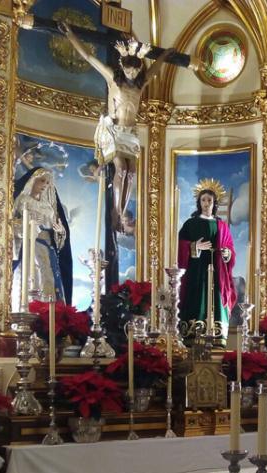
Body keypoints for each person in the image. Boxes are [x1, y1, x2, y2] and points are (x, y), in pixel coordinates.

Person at [60, 22, 171, 228]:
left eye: (135, 71)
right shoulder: (113, 78)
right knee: (120, 170)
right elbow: (89, 58)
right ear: (123, 66)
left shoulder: (140, 82)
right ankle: (116, 210)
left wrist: (165, 55)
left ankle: (122, 209)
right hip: (114, 130)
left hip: (130, 132)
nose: (131, 74)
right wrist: (71, 36)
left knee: (132, 173)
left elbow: (154, 69)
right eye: (128, 70)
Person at [177, 188, 236, 341]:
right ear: (199, 202)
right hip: (196, 270)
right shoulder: (190, 224)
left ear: (214, 203)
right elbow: (179, 245)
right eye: (203, 200)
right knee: (196, 297)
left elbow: (229, 246)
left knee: (216, 296)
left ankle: (217, 335)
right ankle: (193, 333)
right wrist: (194, 246)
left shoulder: (221, 225)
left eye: (209, 200)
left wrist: (226, 254)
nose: (206, 203)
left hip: (217, 270)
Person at [12, 167, 72, 304]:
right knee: (32, 279)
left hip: (47, 249)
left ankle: (48, 315)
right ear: (33, 181)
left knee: (48, 280)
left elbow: (58, 235)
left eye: (47, 183)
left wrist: (60, 231)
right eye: (42, 181)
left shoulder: (48, 206)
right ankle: (29, 309)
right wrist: (28, 224)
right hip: (29, 248)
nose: (45, 185)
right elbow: (11, 225)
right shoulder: (23, 200)